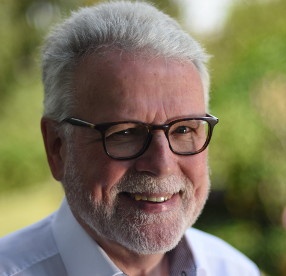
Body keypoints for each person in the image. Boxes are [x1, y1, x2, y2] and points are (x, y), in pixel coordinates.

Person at [0, 1, 260, 275]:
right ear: (57, 146)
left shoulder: (234, 269)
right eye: (125, 133)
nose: (162, 164)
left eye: (184, 129)